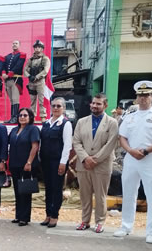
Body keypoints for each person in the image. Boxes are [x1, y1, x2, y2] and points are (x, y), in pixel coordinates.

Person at [114, 81, 152, 244]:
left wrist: (147, 151)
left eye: (146, 95)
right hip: (131, 157)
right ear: (136, 97)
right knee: (128, 192)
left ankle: (151, 231)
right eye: (140, 95)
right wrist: (131, 150)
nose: (143, 98)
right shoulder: (130, 116)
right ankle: (126, 226)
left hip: (150, 158)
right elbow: (122, 137)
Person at [72, 93, 118, 233]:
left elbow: (110, 144)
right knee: (84, 195)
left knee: (100, 195)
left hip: (102, 165)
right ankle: (85, 221)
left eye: (98, 104)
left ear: (105, 105)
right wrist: (86, 158)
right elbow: (76, 142)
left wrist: (95, 160)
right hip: (83, 164)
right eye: (93, 103)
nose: (94, 106)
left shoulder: (112, 122)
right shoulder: (82, 122)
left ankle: (100, 222)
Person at [39, 97, 73, 228]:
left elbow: (67, 145)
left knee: (56, 189)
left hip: (58, 162)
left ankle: (54, 215)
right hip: (46, 161)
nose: (55, 108)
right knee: (48, 188)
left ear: (63, 108)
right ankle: (48, 214)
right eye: (53, 106)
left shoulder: (65, 124)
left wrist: (63, 163)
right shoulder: (47, 123)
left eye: (58, 106)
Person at [8, 107, 40, 226]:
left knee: (25, 191)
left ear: (30, 117)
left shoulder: (33, 129)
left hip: (27, 165)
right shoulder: (14, 130)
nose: (22, 117)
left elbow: (35, 146)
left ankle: (25, 217)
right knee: (17, 191)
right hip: (14, 164)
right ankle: (18, 215)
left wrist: (29, 162)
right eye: (20, 115)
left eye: (25, 115)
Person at [24, 40, 50, 122]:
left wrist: (36, 77)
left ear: (42, 49)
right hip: (31, 82)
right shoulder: (30, 59)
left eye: (39, 47)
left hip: (40, 81)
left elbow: (46, 70)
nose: (37, 49)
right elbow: (25, 70)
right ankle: (32, 117)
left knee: (42, 100)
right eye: (36, 47)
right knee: (32, 100)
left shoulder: (45, 58)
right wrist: (29, 76)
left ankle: (43, 116)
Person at [2, 40, 26, 124]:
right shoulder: (8, 56)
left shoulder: (22, 55)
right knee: (11, 100)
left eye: (16, 43)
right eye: (13, 43)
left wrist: (9, 74)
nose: (14, 45)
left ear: (19, 45)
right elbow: (4, 66)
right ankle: (12, 117)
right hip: (8, 80)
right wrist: (4, 73)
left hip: (16, 79)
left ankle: (15, 117)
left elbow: (18, 66)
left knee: (15, 99)